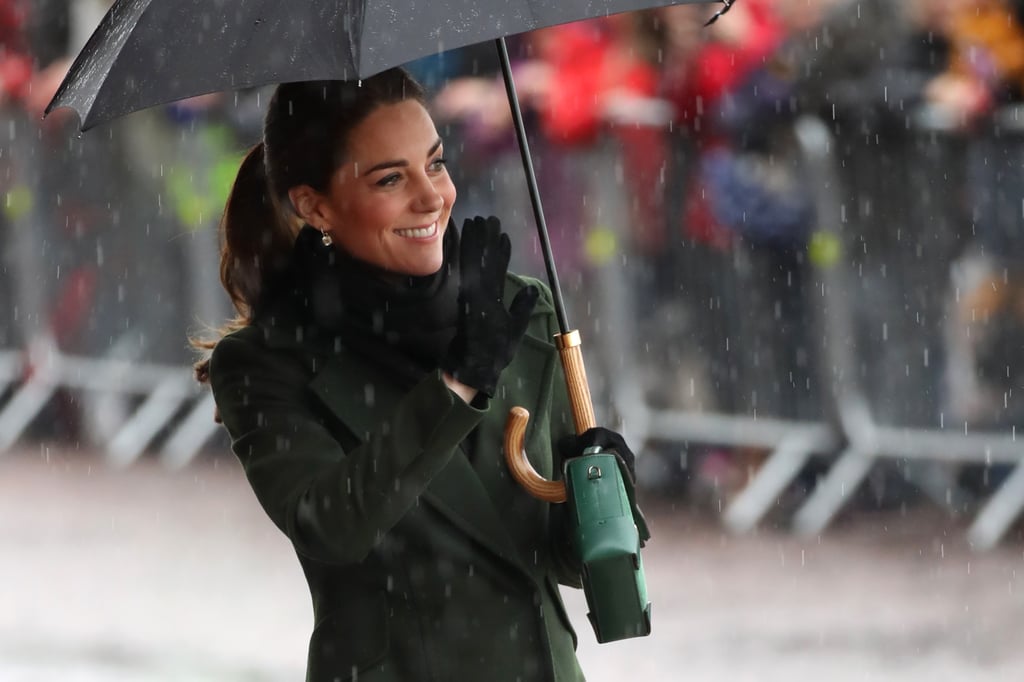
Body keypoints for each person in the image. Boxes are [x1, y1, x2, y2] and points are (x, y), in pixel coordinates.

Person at [193, 67, 637, 682]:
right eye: (390, 178)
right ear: (315, 205)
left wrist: (604, 484)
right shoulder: (267, 362)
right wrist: (457, 384)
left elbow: (563, 557)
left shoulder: (517, 309)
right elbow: (333, 527)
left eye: (435, 163)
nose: (431, 197)